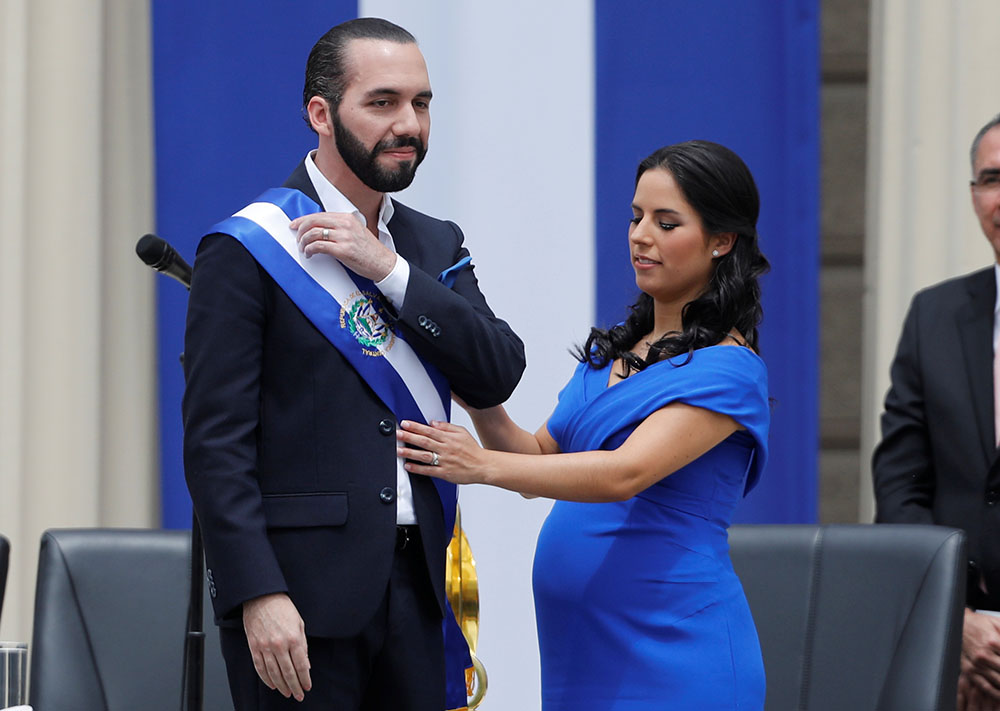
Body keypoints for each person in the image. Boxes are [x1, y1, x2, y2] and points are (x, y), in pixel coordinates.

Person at [182, 17, 525, 711]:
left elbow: (496, 370)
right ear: (321, 114)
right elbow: (216, 446)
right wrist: (257, 591)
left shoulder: (431, 243)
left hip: (420, 588)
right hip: (298, 603)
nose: (409, 124)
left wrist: (390, 271)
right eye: (383, 103)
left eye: (422, 104)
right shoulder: (247, 248)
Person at [398, 140, 771, 710]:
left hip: (676, 654)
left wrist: (478, 466)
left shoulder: (731, 368)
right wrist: (470, 383)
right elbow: (536, 458)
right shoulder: (613, 355)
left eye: (667, 223)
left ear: (722, 241)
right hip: (583, 653)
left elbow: (625, 473)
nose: (641, 235)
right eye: (636, 216)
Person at [873, 112, 1000, 711]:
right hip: (962, 659)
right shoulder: (934, 316)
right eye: (991, 178)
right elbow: (901, 485)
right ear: (974, 194)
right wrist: (958, 618)